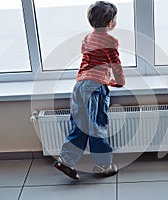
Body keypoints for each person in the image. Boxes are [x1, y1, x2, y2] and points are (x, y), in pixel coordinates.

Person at [53, 1, 125, 180]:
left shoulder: (87, 38)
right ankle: (103, 165)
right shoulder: (110, 41)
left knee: (80, 126)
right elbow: (115, 64)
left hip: (79, 86)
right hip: (94, 88)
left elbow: (89, 60)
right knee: (96, 126)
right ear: (110, 23)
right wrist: (119, 81)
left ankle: (66, 160)